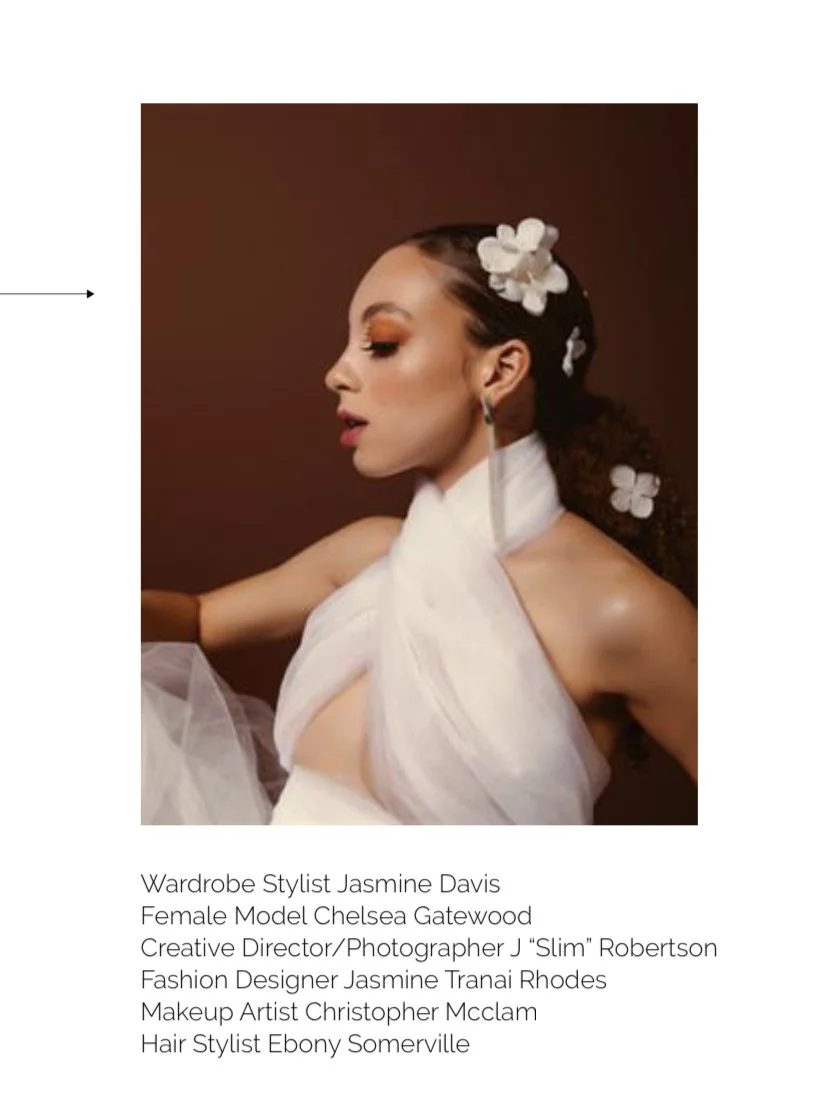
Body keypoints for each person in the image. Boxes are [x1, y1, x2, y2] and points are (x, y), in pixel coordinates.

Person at [141, 217, 697, 825]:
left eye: (380, 343)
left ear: (499, 371)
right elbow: (198, 618)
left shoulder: (618, 608)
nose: (336, 373)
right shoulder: (370, 554)